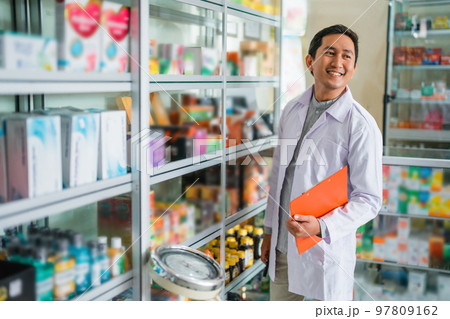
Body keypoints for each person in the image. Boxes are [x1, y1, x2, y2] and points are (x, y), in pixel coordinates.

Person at [261, 24, 382, 301]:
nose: (338, 62)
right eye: (330, 52)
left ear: (353, 67)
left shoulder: (361, 125)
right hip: (282, 249)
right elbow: (279, 179)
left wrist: (321, 227)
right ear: (310, 61)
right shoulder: (292, 109)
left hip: (324, 254)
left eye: (347, 56)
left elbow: (369, 199)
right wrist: (269, 231)